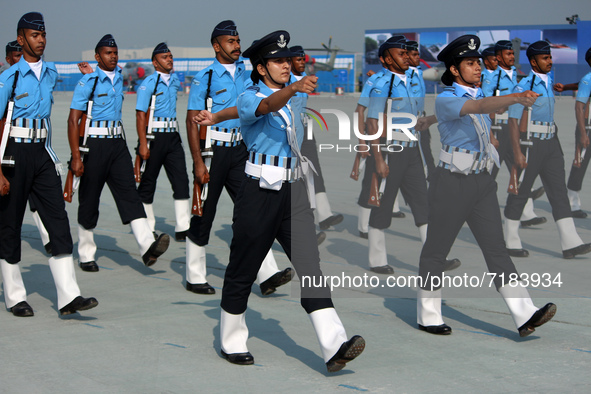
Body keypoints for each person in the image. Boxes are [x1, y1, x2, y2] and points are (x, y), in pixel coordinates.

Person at [196, 30, 365, 372]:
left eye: (288, 60)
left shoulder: (294, 89)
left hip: (294, 191)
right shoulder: (254, 95)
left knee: (311, 269)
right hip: (258, 191)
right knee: (244, 268)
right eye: (277, 61)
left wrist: (216, 116)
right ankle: (231, 340)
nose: (286, 65)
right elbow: (261, 107)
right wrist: (290, 89)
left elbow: (241, 110)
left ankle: (334, 346)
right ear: (260, 68)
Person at [417, 35, 556, 337]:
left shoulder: (469, 94)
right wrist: (517, 97)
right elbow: (479, 106)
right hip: (451, 183)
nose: (478, 67)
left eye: (478, 62)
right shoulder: (448, 97)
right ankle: (428, 314)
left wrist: (428, 121)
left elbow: (480, 108)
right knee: (436, 251)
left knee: (496, 250)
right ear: (454, 70)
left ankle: (525, 314)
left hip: (481, 182)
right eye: (470, 63)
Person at [0, 12, 98, 317]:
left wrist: (89, 74)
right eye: (33, 35)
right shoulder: (9, 78)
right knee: (10, 223)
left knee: (57, 219)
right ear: (21, 39)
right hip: (13, 153)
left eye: (43, 35)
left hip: (43, 153)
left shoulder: (52, 73)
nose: (40, 40)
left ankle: (69, 297)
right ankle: (15, 296)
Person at [185, 21, 291, 295]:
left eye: (238, 40)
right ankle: (195, 275)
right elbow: (191, 120)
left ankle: (267, 274)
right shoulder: (205, 77)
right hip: (213, 150)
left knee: (252, 212)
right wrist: (197, 161)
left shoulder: (249, 74)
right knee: (204, 211)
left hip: (242, 150)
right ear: (216, 46)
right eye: (230, 41)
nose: (236, 46)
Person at [67, 34, 170, 273]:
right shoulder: (87, 83)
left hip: (117, 145)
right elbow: (73, 121)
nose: (113, 57)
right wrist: (75, 156)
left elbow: (116, 72)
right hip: (94, 145)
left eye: (115, 53)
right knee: (90, 198)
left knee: (129, 195)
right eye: (107, 53)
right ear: (97, 56)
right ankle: (86, 254)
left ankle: (147, 247)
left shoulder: (119, 78)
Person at [361, 36, 460, 275]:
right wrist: (378, 158)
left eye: (407, 53)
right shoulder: (381, 83)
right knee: (383, 205)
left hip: (412, 149)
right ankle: (377, 259)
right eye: (400, 53)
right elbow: (372, 123)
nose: (406, 57)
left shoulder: (414, 78)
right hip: (390, 149)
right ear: (386, 59)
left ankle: (435, 257)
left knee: (423, 204)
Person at [503, 41, 591, 259]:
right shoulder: (523, 87)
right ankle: (510, 241)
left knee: (558, 192)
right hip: (530, 143)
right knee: (520, 192)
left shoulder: (548, 81)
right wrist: (517, 152)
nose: (550, 61)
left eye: (550, 57)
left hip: (551, 142)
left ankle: (570, 242)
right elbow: (513, 121)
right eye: (545, 58)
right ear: (533, 62)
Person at [481, 40, 546, 229]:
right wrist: (490, 134)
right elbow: (485, 106)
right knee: (489, 175)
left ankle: (526, 212)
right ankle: (475, 211)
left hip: (512, 129)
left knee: (519, 170)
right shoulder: (488, 79)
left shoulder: (513, 76)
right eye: (494, 58)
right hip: (497, 130)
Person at [135, 43, 191, 242]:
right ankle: (148, 227)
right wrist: (143, 143)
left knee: (181, 180)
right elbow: (141, 114)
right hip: (154, 137)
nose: (169, 59)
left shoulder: (175, 81)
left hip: (173, 136)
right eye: (165, 57)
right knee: (148, 181)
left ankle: (183, 227)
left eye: (171, 56)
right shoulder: (149, 83)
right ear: (155, 61)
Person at [3, 39, 52, 254]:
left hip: (34, 151)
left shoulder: (40, 77)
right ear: (8, 59)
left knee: (38, 202)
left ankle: (50, 238)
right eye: (15, 56)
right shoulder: (6, 82)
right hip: (10, 151)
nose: (19, 59)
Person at [290, 45, 343, 235]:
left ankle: (325, 214)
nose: (304, 64)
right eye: (299, 60)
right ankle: (301, 227)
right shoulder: (284, 82)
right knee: (295, 179)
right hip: (289, 132)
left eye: (304, 60)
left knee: (314, 172)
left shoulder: (305, 81)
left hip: (305, 128)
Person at [555, 47, 591, 219]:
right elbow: (579, 107)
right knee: (580, 164)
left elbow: (579, 84)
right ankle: (573, 203)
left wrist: (566, 86)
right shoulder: (587, 79)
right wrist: (583, 133)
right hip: (588, 128)